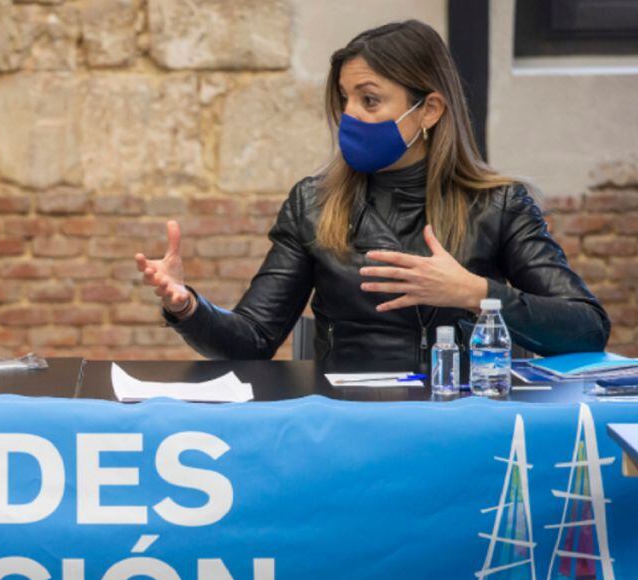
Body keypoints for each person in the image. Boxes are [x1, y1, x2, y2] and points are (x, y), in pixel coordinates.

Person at [135, 20, 610, 371]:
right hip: (352, 429)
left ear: (429, 111)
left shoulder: (499, 204)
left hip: (463, 428)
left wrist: (475, 294)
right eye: (344, 100)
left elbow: (586, 327)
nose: (350, 116)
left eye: (370, 99)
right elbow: (253, 339)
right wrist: (187, 306)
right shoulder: (313, 204)